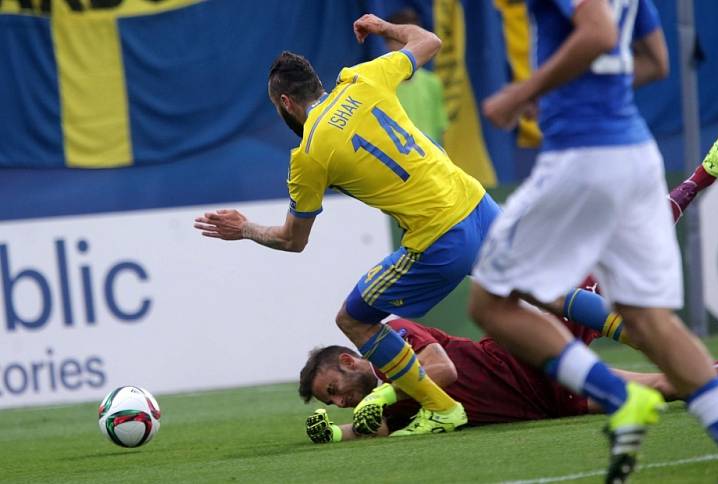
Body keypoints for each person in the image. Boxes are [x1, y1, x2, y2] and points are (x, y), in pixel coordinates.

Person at [468, 0, 718, 482]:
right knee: (650, 320)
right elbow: (656, 61)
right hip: (634, 156)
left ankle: (619, 397)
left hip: (581, 158)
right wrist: (573, 92)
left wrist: (524, 93)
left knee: (492, 302)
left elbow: (596, 33)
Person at [193, 13, 500, 436]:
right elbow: (429, 39)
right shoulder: (362, 79)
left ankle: (442, 408)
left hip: (438, 234)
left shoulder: (309, 155)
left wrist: (245, 229)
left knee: (353, 319)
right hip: (476, 201)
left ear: (286, 103)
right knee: (551, 294)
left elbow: (292, 240)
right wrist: (384, 28)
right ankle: (625, 331)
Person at [299, 317, 718, 443]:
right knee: (669, 388)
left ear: (348, 362)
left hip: (527, 355)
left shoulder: (391, 338)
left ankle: (697, 180)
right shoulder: (386, 407)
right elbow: (380, 428)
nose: (340, 402)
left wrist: (385, 390)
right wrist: (336, 437)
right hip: (549, 402)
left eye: (333, 392)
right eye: (333, 402)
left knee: (597, 287)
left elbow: (442, 371)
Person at [383, 8, 449, 145]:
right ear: (389, 44)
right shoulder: (381, 83)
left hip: (431, 159)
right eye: (401, 41)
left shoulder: (433, 82)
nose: (410, 48)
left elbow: (441, 129)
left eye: (416, 42)